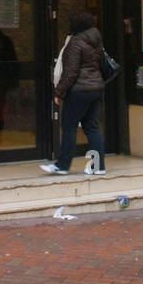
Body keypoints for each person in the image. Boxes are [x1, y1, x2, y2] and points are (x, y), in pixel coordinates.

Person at [42, 10, 107, 176]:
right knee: (92, 127)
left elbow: (70, 73)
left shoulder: (75, 43)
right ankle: (98, 167)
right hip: (96, 88)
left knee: (69, 127)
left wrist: (59, 93)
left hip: (79, 90)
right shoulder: (96, 40)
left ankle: (62, 166)